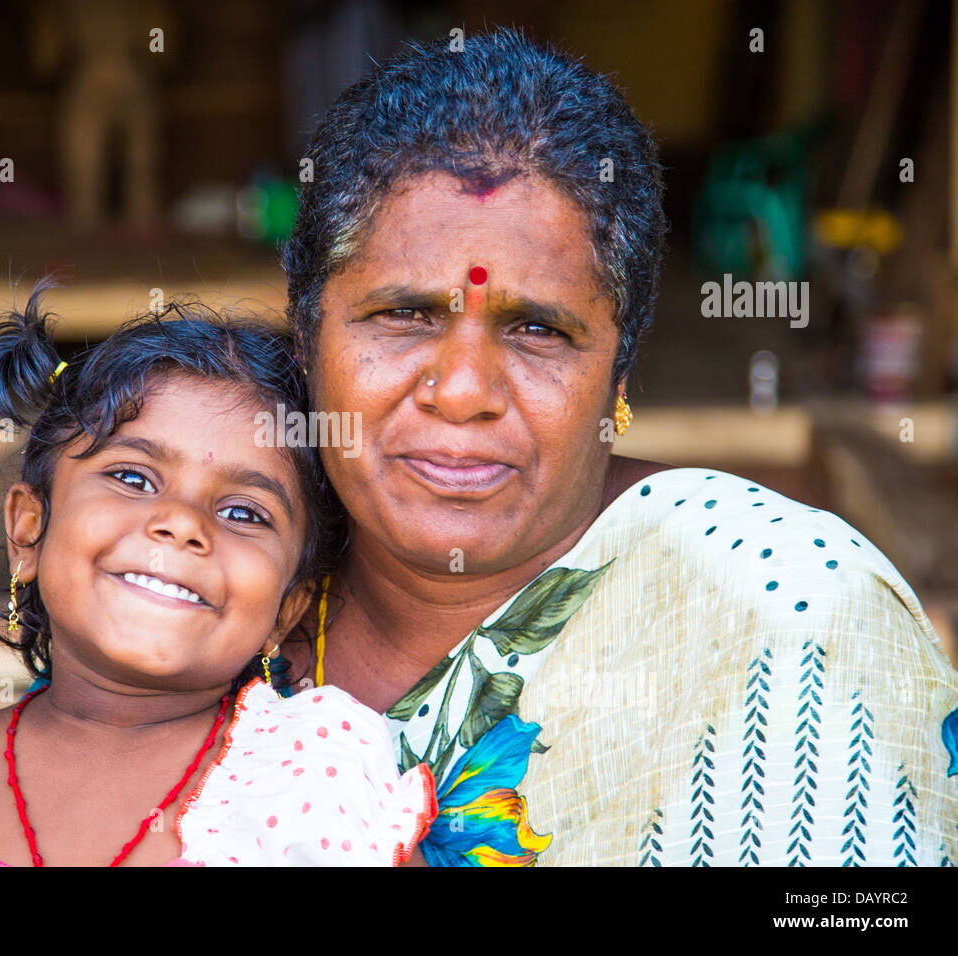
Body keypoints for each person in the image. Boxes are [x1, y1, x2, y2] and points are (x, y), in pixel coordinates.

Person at [274, 28, 958, 866]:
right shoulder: (210, 579)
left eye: (537, 330)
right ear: (305, 340)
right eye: (405, 315)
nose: (462, 390)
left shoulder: (785, 619)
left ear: (620, 375)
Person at [0, 289, 434, 867]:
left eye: (242, 512)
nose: (181, 523)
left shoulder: (311, 782)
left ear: (288, 609)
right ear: (29, 531)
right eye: (133, 478)